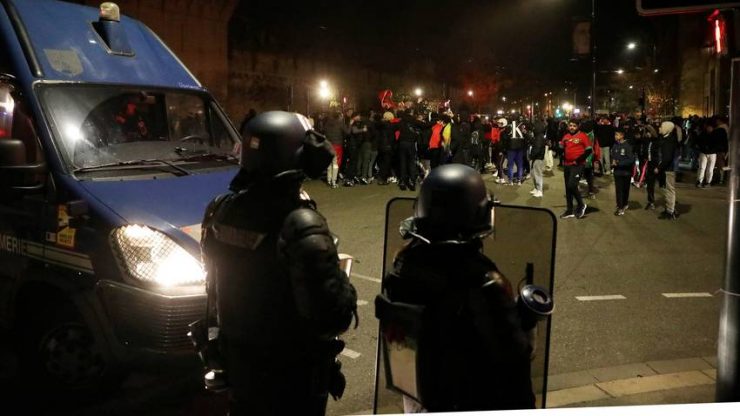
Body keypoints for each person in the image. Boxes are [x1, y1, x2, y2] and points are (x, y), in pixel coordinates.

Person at [200, 111, 358, 415]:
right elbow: (332, 316)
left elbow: (215, 288)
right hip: (289, 379)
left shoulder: (221, 209)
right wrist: (341, 283)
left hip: (240, 370)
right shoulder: (299, 222)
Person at [377, 164, 549, 413]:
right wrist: (527, 318)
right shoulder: (482, 281)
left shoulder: (404, 264)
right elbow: (515, 356)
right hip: (469, 398)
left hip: (422, 397)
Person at [559, 120, 592, 219]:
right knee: (568, 189)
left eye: (574, 126)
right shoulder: (566, 136)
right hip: (567, 165)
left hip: (578, 165)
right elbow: (561, 148)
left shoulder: (583, 136)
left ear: (578, 126)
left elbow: (589, 150)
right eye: (570, 126)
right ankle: (569, 210)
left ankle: (581, 204)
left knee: (572, 185)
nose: (572, 127)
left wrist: (577, 161)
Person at [610, 128, 634, 216]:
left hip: (626, 173)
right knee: (619, 190)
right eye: (615, 134)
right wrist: (613, 162)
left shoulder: (627, 146)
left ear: (622, 136)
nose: (615, 136)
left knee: (625, 189)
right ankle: (620, 207)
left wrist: (619, 163)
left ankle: (624, 203)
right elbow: (613, 155)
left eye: (617, 135)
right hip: (617, 172)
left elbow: (631, 160)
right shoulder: (615, 145)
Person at [528, 117, 547, 198]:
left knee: (537, 174)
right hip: (536, 157)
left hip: (538, 157)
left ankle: (539, 190)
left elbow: (537, 148)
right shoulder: (538, 136)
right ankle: (536, 188)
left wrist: (531, 156)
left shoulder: (539, 136)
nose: (533, 129)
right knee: (533, 173)